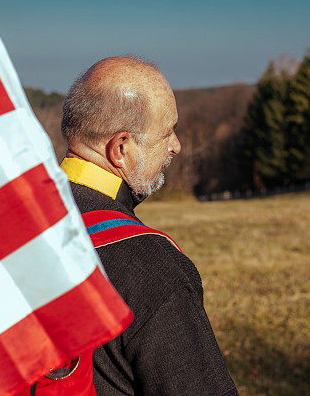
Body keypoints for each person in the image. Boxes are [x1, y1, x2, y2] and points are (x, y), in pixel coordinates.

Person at [57, 56, 238, 395]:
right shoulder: (151, 266)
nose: (176, 146)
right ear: (121, 148)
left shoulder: (15, 229)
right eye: (166, 132)